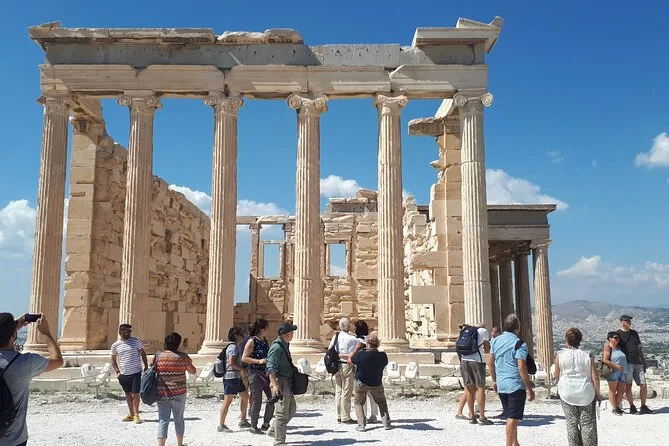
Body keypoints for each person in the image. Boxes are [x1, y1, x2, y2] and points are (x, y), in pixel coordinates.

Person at [0, 313, 63, 446]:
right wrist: (46, 333)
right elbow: (57, 360)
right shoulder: (26, 362)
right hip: (13, 439)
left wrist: (12, 328)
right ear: (13, 336)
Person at [489, 314, 535, 446]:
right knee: (513, 419)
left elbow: (490, 363)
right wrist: (529, 388)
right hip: (515, 384)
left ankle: (515, 443)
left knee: (511, 416)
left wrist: (494, 380)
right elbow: (521, 367)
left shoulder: (495, 341)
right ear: (518, 328)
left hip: (502, 384)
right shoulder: (519, 344)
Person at [554, 328, 600, 446]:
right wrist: (598, 393)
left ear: (566, 339)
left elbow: (556, 375)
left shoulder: (559, 355)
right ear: (580, 340)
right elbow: (595, 376)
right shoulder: (587, 354)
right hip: (586, 392)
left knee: (571, 423)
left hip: (567, 392)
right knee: (587, 424)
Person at [155, 332, 196, 446]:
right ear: (178, 344)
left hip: (162, 392)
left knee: (163, 420)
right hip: (179, 392)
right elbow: (192, 371)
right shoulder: (183, 357)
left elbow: (154, 369)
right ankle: (180, 443)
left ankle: (161, 444)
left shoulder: (158, 356)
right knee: (178, 418)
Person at [349, 331, 391, 431]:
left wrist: (357, 349)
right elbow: (384, 363)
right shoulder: (382, 356)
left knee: (358, 402)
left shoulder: (360, 355)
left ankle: (361, 425)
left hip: (361, 382)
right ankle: (386, 424)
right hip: (376, 382)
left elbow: (350, 361)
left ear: (367, 343)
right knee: (381, 402)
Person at [266, 322, 298, 446]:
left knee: (292, 409)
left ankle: (273, 430)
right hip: (280, 382)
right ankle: (279, 441)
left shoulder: (284, 345)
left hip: (287, 382)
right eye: (292, 332)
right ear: (287, 335)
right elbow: (270, 367)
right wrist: (274, 385)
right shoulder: (277, 348)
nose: (293, 334)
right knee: (282, 412)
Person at [241, 318, 275, 434]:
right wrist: (258, 361)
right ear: (262, 328)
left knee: (272, 398)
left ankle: (266, 423)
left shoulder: (264, 340)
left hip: (266, 372)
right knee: (257, 400)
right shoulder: (252, 341)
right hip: (255, 372)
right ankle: (253, 426)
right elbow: (244, 358)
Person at [111, 323, 148, 423]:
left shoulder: (136, 341)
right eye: (127, 331)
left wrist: (146, 366)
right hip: (124, 373)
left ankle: (136, 414)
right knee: (128, 394)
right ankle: (131, 414)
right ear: (121, 332)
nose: (129, 333)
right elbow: (113, 359)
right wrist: (118, 372)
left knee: (136, 394)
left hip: (136, 372)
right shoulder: (115, 345)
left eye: (130, 331)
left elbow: (143, 354)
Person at [329, 317, 363, 424]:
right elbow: (358, 353)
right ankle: (345, 417)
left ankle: (339, 415)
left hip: (337, 365)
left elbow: (330, 350)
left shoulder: (335, 337)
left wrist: (340, 355)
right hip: (347, 366)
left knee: (339, 390)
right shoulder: (353, 339)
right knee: (347, 391)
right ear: (348, 326)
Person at [459, 323, 493, 425]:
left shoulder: (465, 331)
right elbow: (487, 349)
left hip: (464, 360)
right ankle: (482, 417)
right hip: (477, 361)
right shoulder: (483, 331)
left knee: (469, 388)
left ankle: (472, 416)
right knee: (480, 387)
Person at [617, 315, 653, 414]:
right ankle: (632, 406)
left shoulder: (634, 333)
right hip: (627, 363)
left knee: (643, 384)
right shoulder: (617, 334)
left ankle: (643, 406)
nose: (629, 322)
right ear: (621, 322)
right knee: (628, 385)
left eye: (629, 320)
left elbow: (639, 348)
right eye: (627, 320)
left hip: (637, 362)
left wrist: (643, 361)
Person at [218, 326, 250, 432]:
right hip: (231, 377)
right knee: (227, 401)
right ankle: (221, 425)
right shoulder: (233, 347)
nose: (243, 337)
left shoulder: (235, 346)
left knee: (245, 396)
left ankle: (243, 420)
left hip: (236, 376)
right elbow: (231, 362)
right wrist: (242, 369)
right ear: (236, 335)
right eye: (241, 334)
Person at [351, 320, 379, 423]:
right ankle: (374, 415)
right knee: (372, 394)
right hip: (372, 368)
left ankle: (364, 416)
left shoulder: (356, 340)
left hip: (360, 369)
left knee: (361, 394)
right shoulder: (370, 340)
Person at [602, 331, 627, 415]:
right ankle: (614, 408)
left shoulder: (618, 347)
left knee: (621, 391)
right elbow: (605, 360)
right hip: (613, 371)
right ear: (610, 338)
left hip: (623, 372)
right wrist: (616, 366)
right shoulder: (608, 347)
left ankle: (617, 407)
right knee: (612, 390)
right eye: (615, 337)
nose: (617, 339)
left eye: (618, 338)